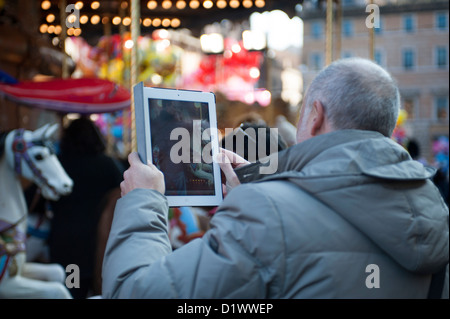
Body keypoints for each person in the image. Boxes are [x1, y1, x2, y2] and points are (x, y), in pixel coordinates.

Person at [102, 58, 449, 298]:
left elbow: (133, 291)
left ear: (315, 116)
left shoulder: (265, 215)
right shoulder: (433, 207)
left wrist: (142, 201)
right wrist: (256, 185)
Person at [48, 116, 123, 299]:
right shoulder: (108, 165)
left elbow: (31, 200)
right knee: (98, 291)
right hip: (101, 246)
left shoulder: (57, 164)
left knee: (71, 291)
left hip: (68, 247)